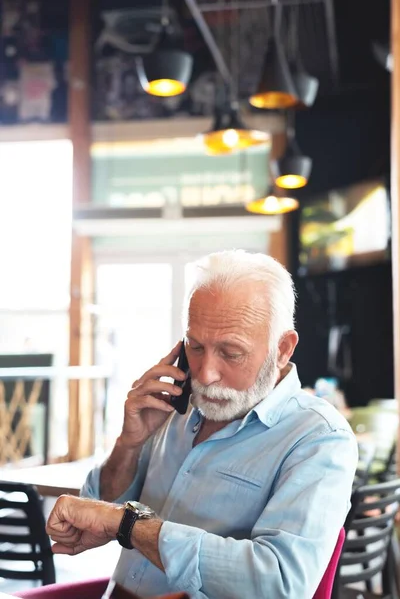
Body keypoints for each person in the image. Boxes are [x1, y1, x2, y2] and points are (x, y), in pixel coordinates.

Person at [46, 250, 358, 599]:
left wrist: (130, 526)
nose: (206, 374)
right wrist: (129, 444)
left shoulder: (318, 438)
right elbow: (94, 512)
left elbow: (279, 583)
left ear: (282, 349)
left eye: (231, 352)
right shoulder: (170, 405)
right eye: (195, 346)